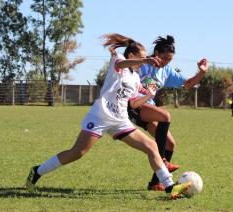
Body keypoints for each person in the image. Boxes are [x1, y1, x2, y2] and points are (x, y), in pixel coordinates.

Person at [25, 33, 190, 199]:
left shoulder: (135, 78)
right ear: (132, 56)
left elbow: (133, 104)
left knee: (151, 146)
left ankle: (169, 187)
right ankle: (37, 171)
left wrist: (149, 94)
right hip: (100, 116)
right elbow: (123, 63)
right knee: (77, 152)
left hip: (120, 121)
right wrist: (146, 61)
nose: (145, 60)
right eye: (142, 58)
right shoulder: (118, 62)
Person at [127, 35, 208, 191]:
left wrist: (202, 72)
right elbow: (125, 68)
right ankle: (162, 160)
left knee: (170, 144)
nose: (166, 62)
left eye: (170, 60)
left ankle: (155, 183)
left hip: (148, 108)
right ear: (156, 53)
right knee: (165, 116)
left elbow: (188, 84)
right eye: (164, 58)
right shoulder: (142, 63)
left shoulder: (167, 70)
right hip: (134, 105)